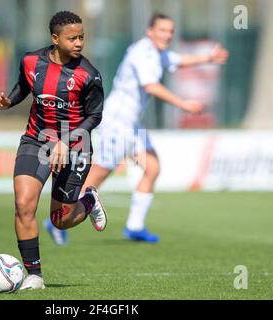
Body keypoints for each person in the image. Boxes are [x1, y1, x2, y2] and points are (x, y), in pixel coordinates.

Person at [45, 13, 229, 245]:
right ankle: (57, 220)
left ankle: (134, 226)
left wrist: (208, 58)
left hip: (131, 125)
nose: (167, 35)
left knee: (152, 167)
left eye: (170, 31)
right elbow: (150, 86)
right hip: (117, 123)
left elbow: (178, 60)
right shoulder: (143, 53)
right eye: (162, 30)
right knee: (99, 174)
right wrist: (184, 104)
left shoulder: (156, 53)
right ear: (150, 31)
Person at [0, 11, 107, 290]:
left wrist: (66, 142)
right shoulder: (31, 61)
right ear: (55, 38)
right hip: (36, 140)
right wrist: (8, 101)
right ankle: (35, 275)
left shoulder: (89, 75)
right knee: (23, 205)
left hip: (76, 145)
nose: (79, 42)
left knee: (61, 220)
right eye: (72, 38)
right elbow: (22, 87)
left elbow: (95, 116)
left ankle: (88, 201)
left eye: (82, 37)